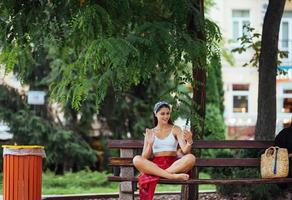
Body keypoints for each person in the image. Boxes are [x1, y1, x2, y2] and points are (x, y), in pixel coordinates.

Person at [133, 101, 196, 200]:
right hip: (155, 165)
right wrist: (149, 144)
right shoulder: (150, 132)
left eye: (168, 113)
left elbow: (185, 151)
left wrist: (189, 141)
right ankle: (172, 177)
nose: (166, 116)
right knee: (136, 159)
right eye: (162, 114)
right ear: (155, 114)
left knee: (191, 158)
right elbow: (144, 158)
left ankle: (162, 174)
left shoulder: (176, 129)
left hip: (173, 165)